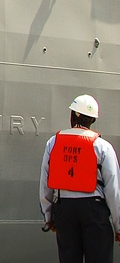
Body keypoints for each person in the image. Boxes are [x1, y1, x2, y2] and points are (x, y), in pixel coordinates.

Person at [39, 94, 120, 263]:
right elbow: (113, 189)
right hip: (94, 210)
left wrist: (49, 217)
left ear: (72, 115)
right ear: (93, 120)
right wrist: (118, 226)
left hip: (64, 210)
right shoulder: (102, 147)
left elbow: (45, 184)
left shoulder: (53, 143)